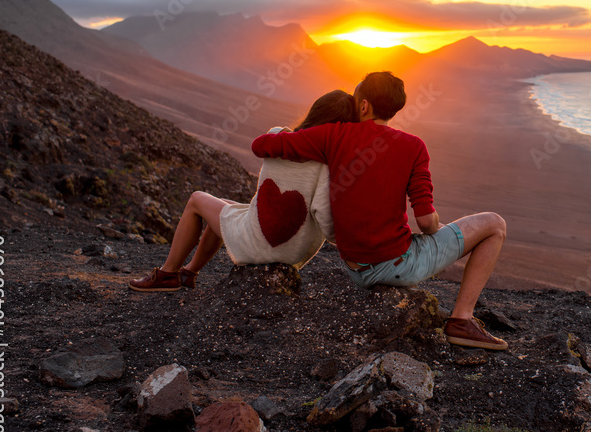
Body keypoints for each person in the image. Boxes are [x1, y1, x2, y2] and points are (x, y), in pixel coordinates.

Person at [250, 71, 509, 350]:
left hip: (355, 269)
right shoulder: (413, 146)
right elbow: (425, 223)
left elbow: (260, 145)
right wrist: (439, 228)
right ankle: (462, 320)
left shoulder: (333, 135)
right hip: (397, 266)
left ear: (363, 106)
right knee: (494, 224)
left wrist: (293, 136)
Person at [128, 90, 358, 292]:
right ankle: (189, 273)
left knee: (197, 199)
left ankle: (168, 274)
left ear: (315, 112)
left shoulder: (278, 136)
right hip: (293, 254)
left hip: (258, 245)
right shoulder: (329, 165)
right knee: (226, 206)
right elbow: (326, 219)